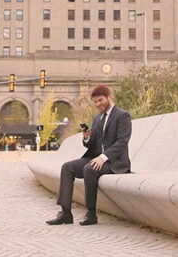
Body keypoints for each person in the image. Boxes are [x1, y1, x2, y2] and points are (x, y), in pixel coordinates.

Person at [46, 84, 131, 226]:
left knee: (89, 168)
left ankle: (91, 214)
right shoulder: (97, 118)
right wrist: (86, 138)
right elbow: (93, 144)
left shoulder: (122, 116)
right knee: (67, 167)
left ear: (109, 97)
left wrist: (103, 157)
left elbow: (123, 141)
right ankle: (65, 213)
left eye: (100, 100)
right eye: (95, 102)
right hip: (95, 158)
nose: (97, 104)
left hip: (115, 162)